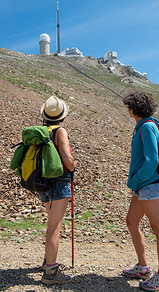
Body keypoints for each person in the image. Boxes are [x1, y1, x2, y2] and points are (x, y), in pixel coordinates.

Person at [122, 91, 159, 291]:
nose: (128, 110)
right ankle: (143, 268)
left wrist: (136, 180)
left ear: (134, 109)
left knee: (158, 228)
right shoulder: (144, 125)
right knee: (132, 222)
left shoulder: (147, 127)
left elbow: (152, 160)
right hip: (143, 185)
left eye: (129, 107)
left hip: (148, 184)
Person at [38, 95, 75, 285]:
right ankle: (51, 272)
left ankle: (48, 260)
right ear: (62, 115)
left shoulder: (41, 131)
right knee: (55, 226)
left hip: (41, 183)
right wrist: (73, 166)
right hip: (58, 182)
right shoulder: (60, 131)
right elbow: (67, 159)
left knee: (52, 221)